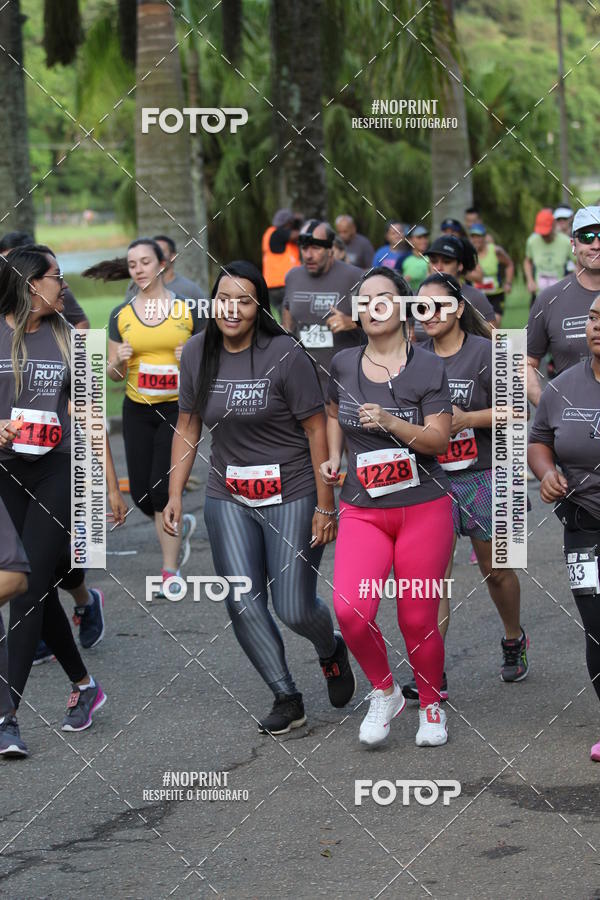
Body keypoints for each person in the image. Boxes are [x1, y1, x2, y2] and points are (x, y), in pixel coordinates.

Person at [163, 261, 356, 735]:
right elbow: (187, 428)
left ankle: (329, 646)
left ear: (258, 307)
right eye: (225, 298)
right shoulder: (194, 353)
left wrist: (326, 504)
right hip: (228, 493)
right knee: (242, 600)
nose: (232, 309)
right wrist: (173, 494)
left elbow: (316, 431)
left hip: (292, 488)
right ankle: (286, 695)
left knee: (292, 606)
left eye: (244, 300)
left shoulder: (284, 354)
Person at [321, 266, 454, 749]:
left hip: (424, 507)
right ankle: (384, 691)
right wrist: (334, 456)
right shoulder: (343, 363)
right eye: (364, 299)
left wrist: (392, 422)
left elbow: (438, 440)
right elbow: (333, 413)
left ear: (401, 308)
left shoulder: (428, 367)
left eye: (383, 297)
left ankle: (432, 704)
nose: (373, 305)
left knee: (417, 618)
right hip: (362, 507)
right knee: (351, 611)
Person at [398, 273, 528, 701]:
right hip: (432, 478)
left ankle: (514, 637)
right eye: (420, 307)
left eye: (437, 306)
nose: (427, 315)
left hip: (486, 474)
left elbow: (519, 412)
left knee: (497, 573)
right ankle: (431, 671)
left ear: (457, 309)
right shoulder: (411, 356)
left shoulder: (487, 352)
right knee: (433, 580)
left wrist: (468, 419)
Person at [0, 245, 106, 749]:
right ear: (29, 285)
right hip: (5, 474)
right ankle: (85, 685)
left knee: (25, 587)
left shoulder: (73, 340)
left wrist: (104, 483)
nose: (62, 285)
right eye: (55, 278)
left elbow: (89, 414)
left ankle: (6, 717)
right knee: (35, 591)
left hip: (57, 473)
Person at [528, 293, 600, 761]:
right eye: (594, 316)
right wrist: (546, 472)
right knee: (597, 626)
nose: (597, 325)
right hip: (584, 524)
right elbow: (539, 440)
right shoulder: (562, 386)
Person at [108, 238, 201, 595]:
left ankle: (169, 571)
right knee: (144, 499)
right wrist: (119, 360)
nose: (139, 269)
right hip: (136, 408)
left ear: (161, 265)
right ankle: (182, 525)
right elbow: (114, 375)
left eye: (145, 262)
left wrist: (188, 356)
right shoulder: (122, 314)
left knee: (163, 492)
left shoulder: (188, 310)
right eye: (133, 265)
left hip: (177, 409)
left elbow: (210, 364)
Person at [527, 206, 600, 407]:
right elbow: (525, 362)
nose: (595, 244)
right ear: (573, 245)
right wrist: (545, 406)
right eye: (586, 237)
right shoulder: (549, 299)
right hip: (571, 425)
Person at [282, 220, 364, 392]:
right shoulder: (292, 276)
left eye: (315, 248)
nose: (308, 255)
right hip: (304, 378)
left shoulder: (355, 277)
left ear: (330, 249)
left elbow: (384, 317)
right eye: (304, 248)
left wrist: (354, 321)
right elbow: (287, 325)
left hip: (345, 379)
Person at [0, 231, 89, 329]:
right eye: (5, 260)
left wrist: (74, 343)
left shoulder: (59, 291)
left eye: (18, 260)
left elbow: (83, 323)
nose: (10, 267)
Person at [415, 236, 495, 340]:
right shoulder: (417, 296)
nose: (438, 267)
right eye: (434, 261)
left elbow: (494, 342)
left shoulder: (475, 298)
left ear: (460, 265)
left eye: (447, 261)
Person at [0, 497, 30, 756]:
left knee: (36, 586)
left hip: (58, 467)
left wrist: (110, 488)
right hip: (10, 470)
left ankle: (4, 717)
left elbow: (14, 580)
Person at [468, 223, 514, 324]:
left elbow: (509, 264)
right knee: (479, 328)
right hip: (477, 296)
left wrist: (508, 283)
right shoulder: (469, 254)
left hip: (495, 295)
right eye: (473, 237)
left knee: (494, 326)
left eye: (478, 236)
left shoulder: (495, 251)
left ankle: (501, 340)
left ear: (485, 237)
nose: (476, 240)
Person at [523, 209, 572, 304]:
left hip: (561, 295)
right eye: (542, 233)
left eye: (546, 232)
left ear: (553, 225)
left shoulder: (566, 242)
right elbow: (527, 261)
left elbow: (579, 263)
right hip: (539, 295)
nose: (544, 235)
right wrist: (530, 280)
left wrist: (571, 278)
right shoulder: (532, 241)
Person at [261, 209, 301, 312]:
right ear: (288, 223)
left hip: (272, 286)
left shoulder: (270, 233)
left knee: (283, 315)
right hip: (283, 285)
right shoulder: (278, 233)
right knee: (289, 317)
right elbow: (298, 235)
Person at [399, 226, 430, 291]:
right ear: (410, 240)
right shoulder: (403, 258)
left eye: (425, 237)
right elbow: (395, 280)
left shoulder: (433, 258)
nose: (423, 240)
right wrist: (402, 281)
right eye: (419, 237)